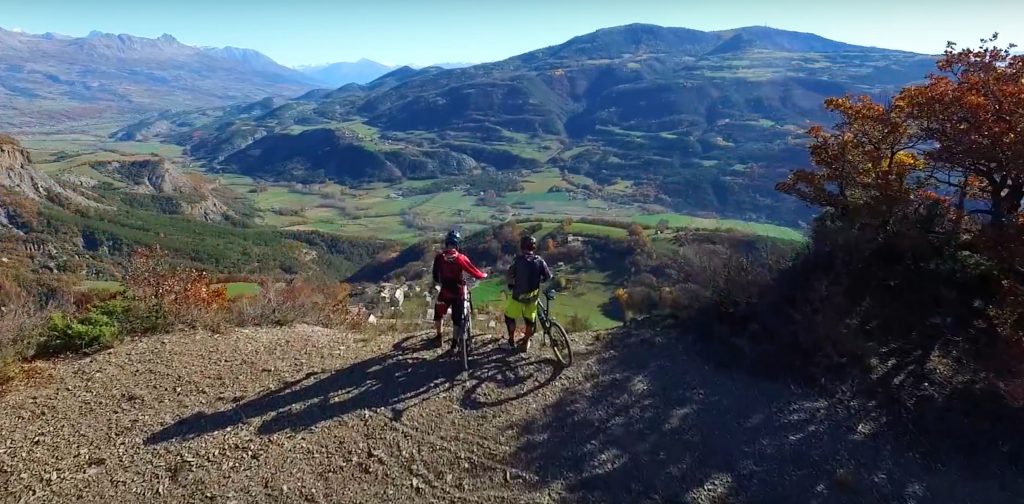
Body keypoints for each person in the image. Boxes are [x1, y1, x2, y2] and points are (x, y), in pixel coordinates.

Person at [432, 230, 487, 351]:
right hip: (459, 292)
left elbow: (435, 276)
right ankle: (454, 343)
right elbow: (474, 272)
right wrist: (484, 275)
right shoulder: (461, 258)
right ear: (457, 245)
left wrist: (440, 282)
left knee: (438, 314)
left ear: (447, 244)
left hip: (445, 291)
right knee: (457, 319)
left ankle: (439, 337)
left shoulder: (439, 258)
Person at [505, 235, 553, 352]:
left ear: (522, 247)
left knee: (510, 318)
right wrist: (539, 280)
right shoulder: (539, 260)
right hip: (532, 297)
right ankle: (525, 343)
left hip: (518, 297)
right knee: (530, 321)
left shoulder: (518, 260)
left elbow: (510, 274)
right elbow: (548, 276)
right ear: (533, 247)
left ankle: (511, 341)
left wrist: (511, 285)